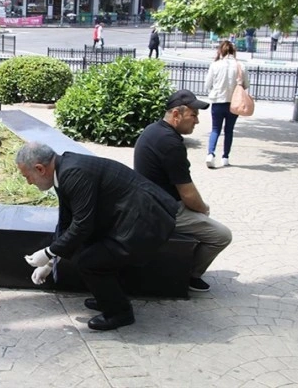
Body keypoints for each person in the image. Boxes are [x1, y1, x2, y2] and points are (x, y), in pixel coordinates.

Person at [17, 142, 178, 331]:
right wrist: (50, 262)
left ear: (40, 168)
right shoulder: (63, 169)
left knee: (90, 261)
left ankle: (119, 312)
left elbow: (82, 225)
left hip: (146, 221)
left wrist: (48, 252)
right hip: (130, 216)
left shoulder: (73, 173)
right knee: (89, 252)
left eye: (27, 176)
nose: (29, 182)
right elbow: (67, 221)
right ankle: (108, 297)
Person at [134, 89, 233, 293]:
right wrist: (203, 208)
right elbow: (187, 193)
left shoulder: (153, 130)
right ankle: (188, 275)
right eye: (193, 115)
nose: (196, 121)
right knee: (222, 235)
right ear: (176, 115)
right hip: (162, 211)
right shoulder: (170, 143)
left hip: (149, 203)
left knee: (200, 218)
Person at [203, 40, 249, 168]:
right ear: (233, 51)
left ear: (221, 51)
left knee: (215, 129)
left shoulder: (215, 65)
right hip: (234, 103)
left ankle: (210, 154)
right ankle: (225, 157)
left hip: (218, 101)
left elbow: (207, 84)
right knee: (229, 130)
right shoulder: (241, 66)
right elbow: (246, 85)